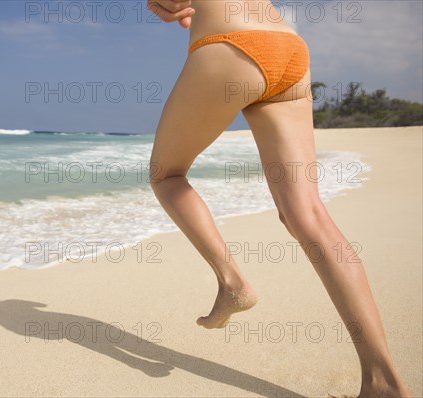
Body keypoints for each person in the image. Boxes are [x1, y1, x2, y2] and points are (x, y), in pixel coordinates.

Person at [145, 1, 412, 397]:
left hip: (230, 45)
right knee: (308, 214)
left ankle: (231, 281)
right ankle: (383, 383)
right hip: (287, 46)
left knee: (166, 174)